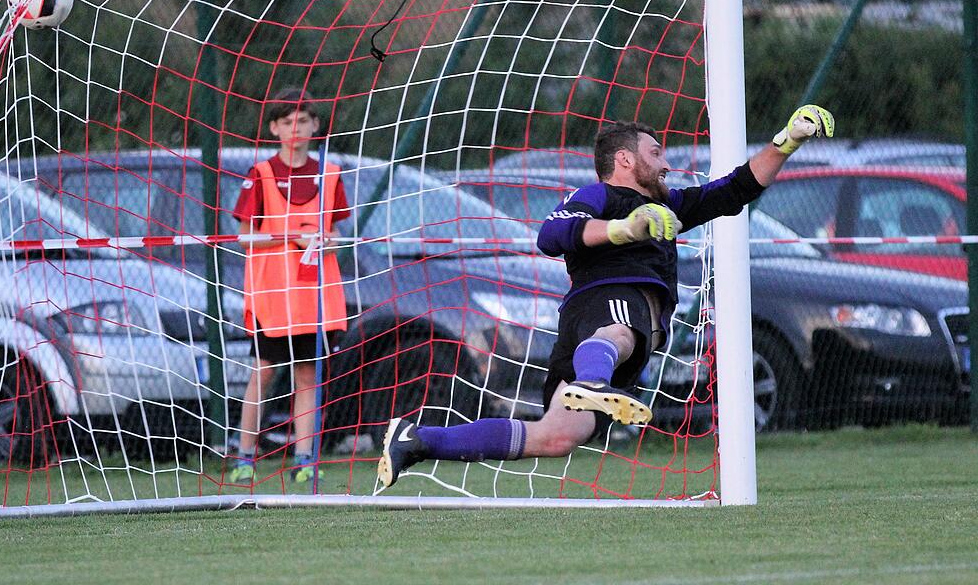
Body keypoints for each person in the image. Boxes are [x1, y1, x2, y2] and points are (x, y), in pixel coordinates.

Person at [377, 105, 835, 487]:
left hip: (601, 340)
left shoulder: (669, 205)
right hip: (605, 307)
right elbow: (551, 234)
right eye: (656, 154)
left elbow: (736, 189)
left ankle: (418, 441)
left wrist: (787, 141)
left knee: (554, 437)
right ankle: (592, 382)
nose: (666, 163)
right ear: (625, 160)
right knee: (619, 330)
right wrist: (623, 228)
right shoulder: (600, 194)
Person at [227, 88, 350, 484]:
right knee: (262, 373)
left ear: (315, 125)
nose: (295, 128)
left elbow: (337, 235)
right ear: (274, 129)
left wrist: (324, 240)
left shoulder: (330, 174)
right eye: (286, 121)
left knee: (308, 379)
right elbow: (244, 237)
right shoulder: (260, 176)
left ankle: (304, 460)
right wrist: (291, 237)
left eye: (303, 120)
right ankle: (245, 455)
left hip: (314, 298)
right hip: (273, 298)